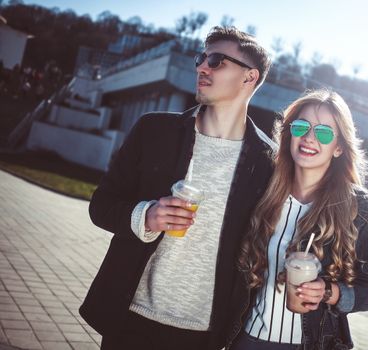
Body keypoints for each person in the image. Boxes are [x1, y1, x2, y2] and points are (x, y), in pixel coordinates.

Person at [80, 26, 273, 350]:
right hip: (129, 316)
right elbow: (101, 204)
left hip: (203, 333)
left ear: (249, 77)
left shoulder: (268, 163)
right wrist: (147, 216)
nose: (202, 67)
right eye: (201, 58)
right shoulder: (154, 130)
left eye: (217, 61)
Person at [229, 89, 368, 350]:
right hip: (247, 340)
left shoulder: (361, 209)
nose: (310, 138)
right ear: (290, 133)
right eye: (301, 127)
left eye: (324, 132)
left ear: (338, 148)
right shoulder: (262, 192)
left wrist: (329, 292)